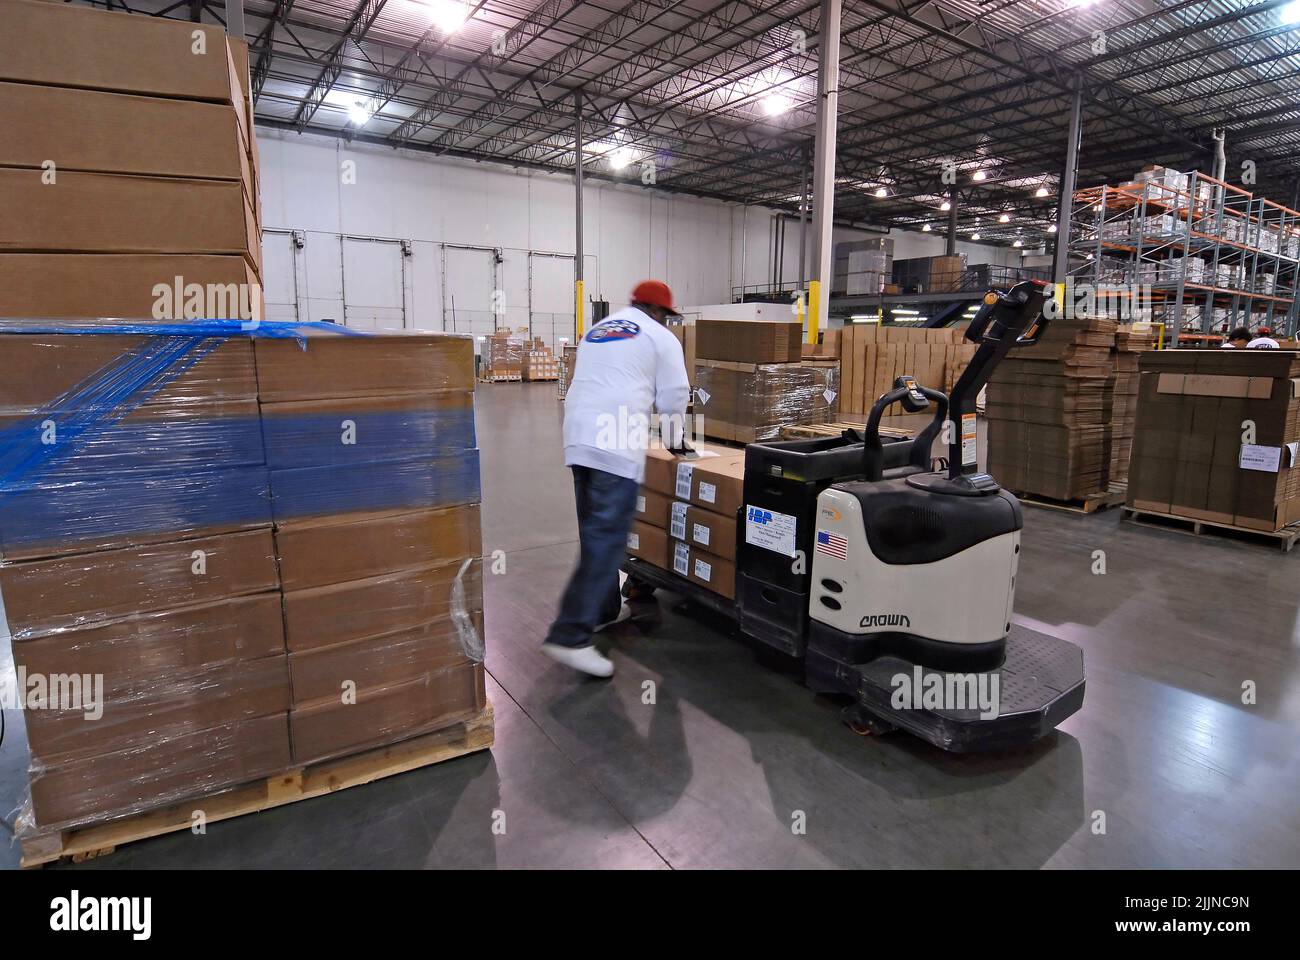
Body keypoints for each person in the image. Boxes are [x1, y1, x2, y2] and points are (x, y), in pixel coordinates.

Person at [542, 280, 691, 678]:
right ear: (661, 313)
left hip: (577, 435)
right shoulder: (661, 337)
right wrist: (677, 442)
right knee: (608, 538)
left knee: (594, 530)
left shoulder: (598, 329)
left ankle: (603, 610)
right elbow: (675, 395)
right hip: (614, 439)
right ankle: (570, 635)